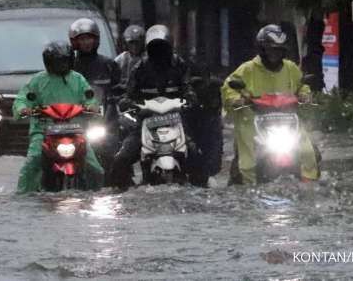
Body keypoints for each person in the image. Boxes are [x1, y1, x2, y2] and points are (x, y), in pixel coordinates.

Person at [110, 24, 224, 189]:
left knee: (195, 154)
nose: (159, 52)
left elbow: (187, 87)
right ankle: (119, 193)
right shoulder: (139, 68)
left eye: (162, 47)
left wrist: (190, 98)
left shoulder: (179, 64)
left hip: (175, 121)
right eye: (155, 48)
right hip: (146, 122)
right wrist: (127, 102)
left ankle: (202, 190)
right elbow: (129, 93)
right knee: (121, 158)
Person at [221, 24, 320, 184]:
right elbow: (229, 86)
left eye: (278, 50)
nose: (275, 54)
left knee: (308, 152)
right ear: (262, 50)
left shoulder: (291, 68)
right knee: (248, 164)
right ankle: (248, 190)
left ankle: (309, 187)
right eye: (271, 50)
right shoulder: (248, 69)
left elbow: (302, 85)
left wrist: (304, 95)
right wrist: (236, 99)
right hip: (253, 124)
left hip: (287, 122)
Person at [13, 41, 104, 194]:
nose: (62, 65)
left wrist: (92, 106)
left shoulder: (78, 79)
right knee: (33, 161)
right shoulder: (37, 81)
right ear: (49, 62)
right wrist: (23, 109)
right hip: (43, 131)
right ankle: (22, 195)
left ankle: (97, 193)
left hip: (75, 131)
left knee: (94, 167)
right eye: (58, 61)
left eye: (64, 61)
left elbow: (90, 97)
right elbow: (23, 99)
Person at [69, 18, 122, 181]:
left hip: (103, 120)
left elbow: (119, 89)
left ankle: (119, 181)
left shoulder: (108, 64)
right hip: (75, 119)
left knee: (117, 156)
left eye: (89, 38)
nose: (86, 43)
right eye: (82, 39)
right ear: (75, 42)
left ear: (96, 39)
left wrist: (118, 101)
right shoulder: (69, 65)